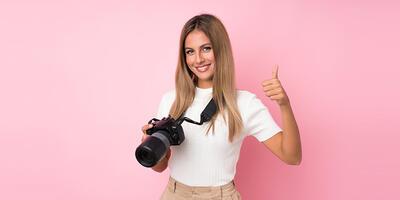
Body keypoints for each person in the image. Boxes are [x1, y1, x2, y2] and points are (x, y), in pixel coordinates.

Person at [140, 13, 302, 200]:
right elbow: (160, 167)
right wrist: (149, 145)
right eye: (190, 52)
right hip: (174, 193)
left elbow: (292, 156)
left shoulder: (244, 103)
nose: (198, 59)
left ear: (221, 50)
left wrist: (284, 105)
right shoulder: (171, 100)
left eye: (206, 49)